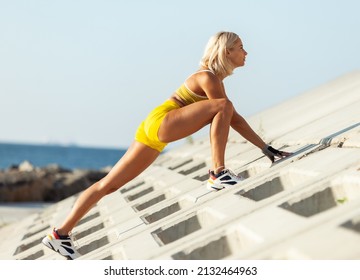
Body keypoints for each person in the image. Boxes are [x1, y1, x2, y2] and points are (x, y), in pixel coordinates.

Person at [42, 31, 291, 259]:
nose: (246, 52)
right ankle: (218, 173)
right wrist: (265, 148)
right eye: (241, 47)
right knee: (224, 107)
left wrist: (266, 149)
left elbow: (231, 117)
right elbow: (231, 115)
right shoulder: (208, 77)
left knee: (108, 184)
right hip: (163, 121)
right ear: (226, 51)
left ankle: (60, 234)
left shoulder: (213, 79)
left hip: (153, 127)